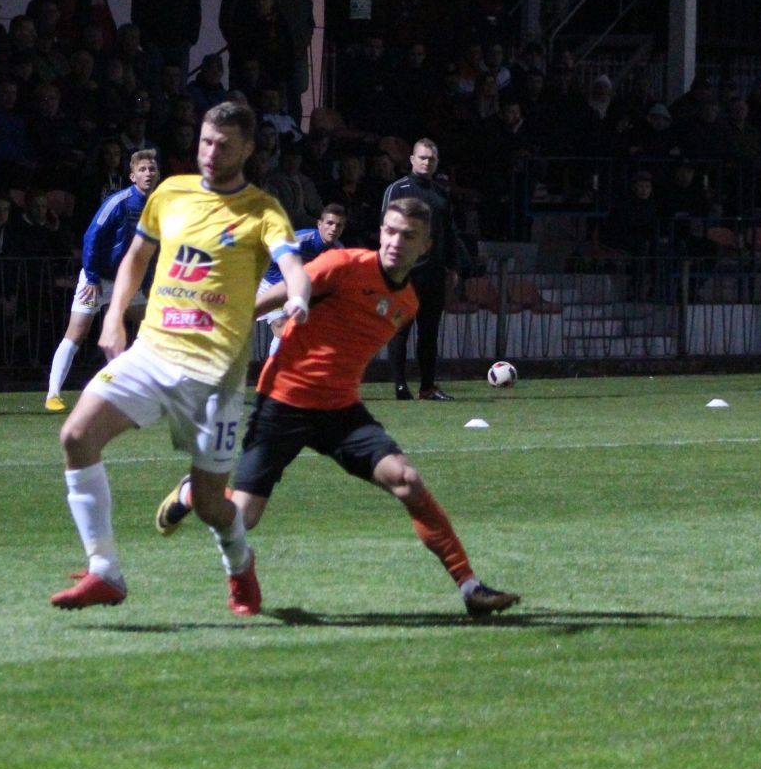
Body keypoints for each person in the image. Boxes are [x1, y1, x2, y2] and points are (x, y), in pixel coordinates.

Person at [154, 197, 521, 618]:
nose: (396, 242)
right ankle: (194, 490)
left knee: (407, 480)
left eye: (408, 236)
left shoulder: (408, 303)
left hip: (340, 410)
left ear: (425, 247)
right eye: (390, 231)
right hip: (283, 403)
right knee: (242, 518)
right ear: (380, 232)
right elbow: (281, 293)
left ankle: (470, 587)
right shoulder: (344, 265)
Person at [50, 101, 312, 615]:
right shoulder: (170, 193)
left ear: (248, 149)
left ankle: (240, 564)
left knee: (213, 504)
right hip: (153, 352)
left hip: (215, 376)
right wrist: (113, 316)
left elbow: (292, 267)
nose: (211, 153)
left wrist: (298, 297)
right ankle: (105, 570)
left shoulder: (263, 210)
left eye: (224, 145)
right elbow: (136, 258)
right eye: (206, 142)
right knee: (76, 436)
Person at [45, 148, 161, 411]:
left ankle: (136, 386)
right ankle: (53, 394)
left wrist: (145, 282)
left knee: (153, 330)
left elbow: (152, 248)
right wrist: (92, 277)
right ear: (132, 176)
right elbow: (91, 237)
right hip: (99, 279)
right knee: (76, 332)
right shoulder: (118, 202)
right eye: (142, 169)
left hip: (128, 282)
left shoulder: (158, 206)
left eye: (152, 169)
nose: (148, 173)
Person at [384, 138, 462, 401]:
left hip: (434, 273)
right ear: (412, 159)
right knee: (400, 330)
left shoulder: (441, 194)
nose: (427, 162)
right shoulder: (398, 189)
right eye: (423, 157)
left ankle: (427, 387)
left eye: (431, 158)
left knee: (429, 333)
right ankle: (400, 386)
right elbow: (385, 228)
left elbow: (449, 233)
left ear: (437, 162)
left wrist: (452, 267)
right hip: (405, 274)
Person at [256, 203, 345, 343]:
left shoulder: (339, 251)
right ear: (319, 224)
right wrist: (285, 282)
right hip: (271, 283)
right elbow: (267, 257)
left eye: (338, 225)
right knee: (282, 326)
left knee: (296, 331)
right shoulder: (301, 239)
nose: (333, 228)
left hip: (298, 288)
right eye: (329, 223)